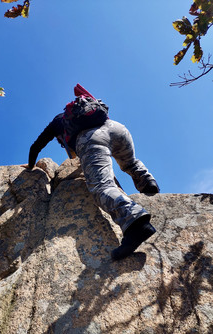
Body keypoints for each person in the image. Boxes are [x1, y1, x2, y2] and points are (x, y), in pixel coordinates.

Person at [23, 85, 159, 260]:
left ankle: (136, 225)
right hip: (117, 128)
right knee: (129, 163)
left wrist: (30, 166)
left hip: (92, 138)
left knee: (101, 187)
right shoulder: (86, 111)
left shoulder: (58, 122)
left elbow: (36, 146)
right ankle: (148, 182)